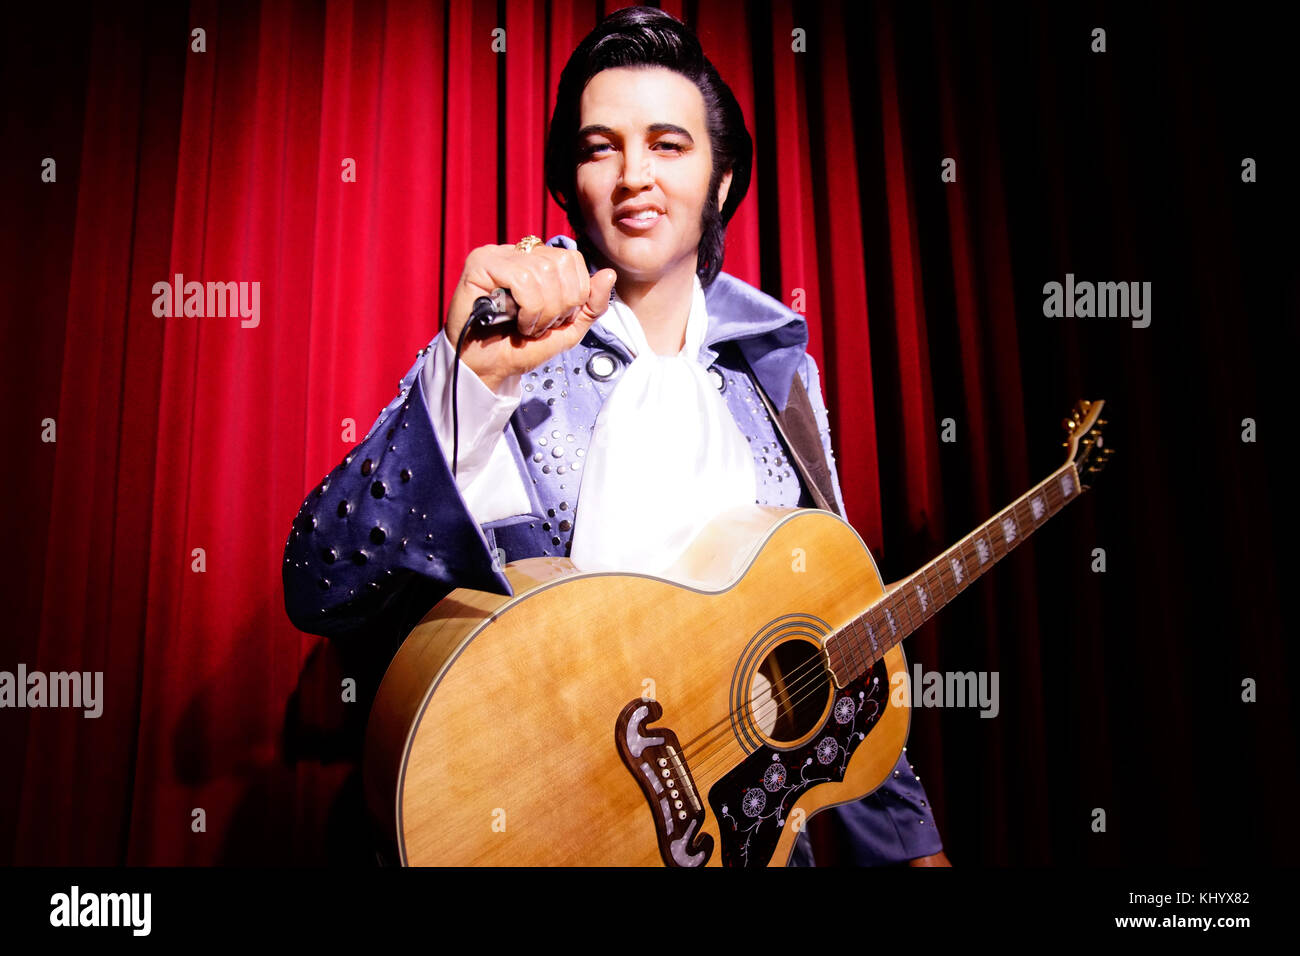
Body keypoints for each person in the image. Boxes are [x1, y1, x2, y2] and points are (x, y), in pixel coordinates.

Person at [283, 5, 948, 867]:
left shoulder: (779, 378)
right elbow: (321, 581)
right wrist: (469, 382)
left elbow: (832, 637)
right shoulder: (503, 352)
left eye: (668, 145)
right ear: (571, 184)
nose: (635, 173)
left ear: (722, 182)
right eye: (602, 147)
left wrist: (910, 845)